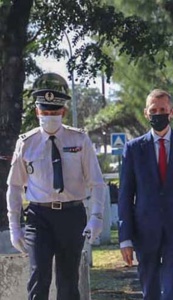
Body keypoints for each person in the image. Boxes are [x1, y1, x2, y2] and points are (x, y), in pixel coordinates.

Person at [6, 73, 107, 299]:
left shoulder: (79, 140)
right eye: (45, 112)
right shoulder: (26, 143)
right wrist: (14, 226)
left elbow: (97, 182)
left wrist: (96, 217)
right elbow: (14, 186)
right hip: (38, 216)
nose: (49, 117)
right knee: (39, 276)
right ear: (37, 112)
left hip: (72, 215)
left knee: (69, 280)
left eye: (54, 112)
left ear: (62, 111)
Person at [117, 89, 173, 300]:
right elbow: (126, 195)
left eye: (162, 109)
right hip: (145, 232)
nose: (158, 114)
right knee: (151, 291)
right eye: (153, 110)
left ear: (172, 112)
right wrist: (125, 238)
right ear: (146, 113)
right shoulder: (133, 149)